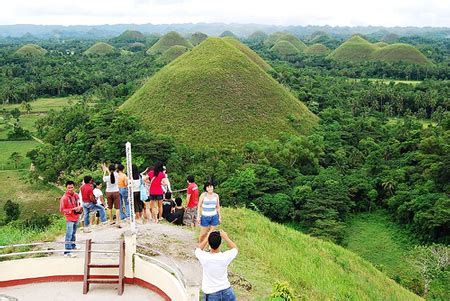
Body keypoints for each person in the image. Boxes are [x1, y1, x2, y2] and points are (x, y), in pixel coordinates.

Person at [195, 230, 238, 300]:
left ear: (209, 243)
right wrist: (226, 237)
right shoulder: (225, 257)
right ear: (220, 243)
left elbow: (198, 249)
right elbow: (235, 249)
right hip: (226, 290)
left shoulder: (204, 257)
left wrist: (207, 237)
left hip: (211, 293)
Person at [60, 180, 82, 258]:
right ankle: (67, 251)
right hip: (69, 218)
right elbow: (62, 210)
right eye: (69, 188)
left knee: (73, 233)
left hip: (76, 216)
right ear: (66, 188)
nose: (70, 189)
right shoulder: (64, 198)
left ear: (74, 187)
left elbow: (79, 203)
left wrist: (79, 207)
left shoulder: (76, 195)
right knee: (69, 234)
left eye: (72, 187)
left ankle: (73, 245)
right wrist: (73, 209)